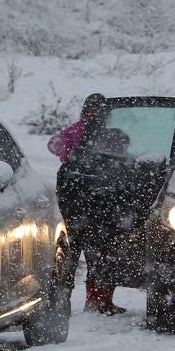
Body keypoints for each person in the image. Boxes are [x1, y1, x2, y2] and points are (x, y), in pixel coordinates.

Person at [49, 94, 128, 315]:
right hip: (98, 207)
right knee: (100, 259)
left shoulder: (74, 131)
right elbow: (122, 154)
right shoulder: (110, 135)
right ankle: (98, 302)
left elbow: (53, 145)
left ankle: (60, 303)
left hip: (72, 205)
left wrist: (68, 152)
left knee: (67, 258)